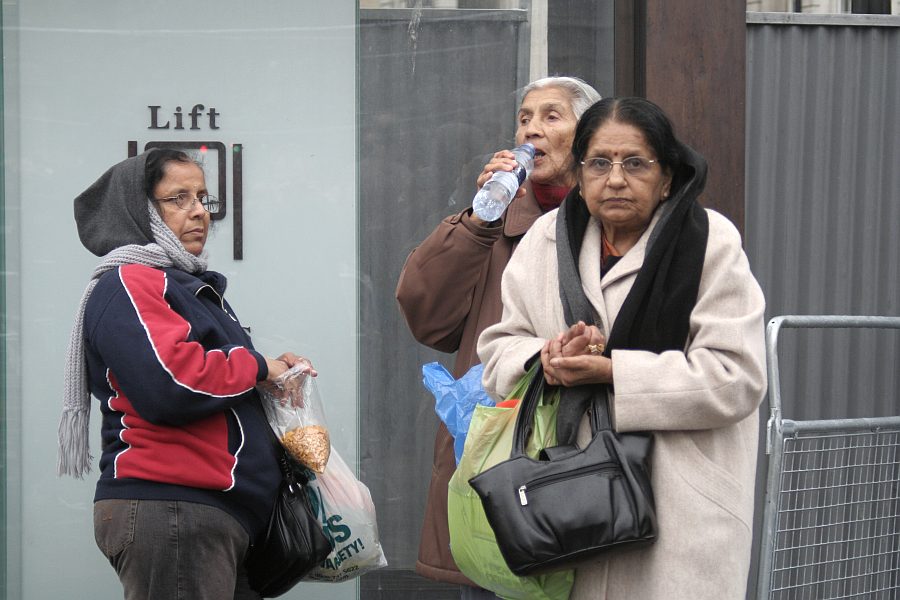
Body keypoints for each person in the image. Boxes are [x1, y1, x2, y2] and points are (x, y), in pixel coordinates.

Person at [477, 96, 767, 600]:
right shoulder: (545, 240)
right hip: (569, 509)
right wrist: (545, 356)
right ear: (581, 172)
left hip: (682, 507)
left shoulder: (709, 242)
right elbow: (499, 346)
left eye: (635, 163)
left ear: (668, 176)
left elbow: (736, 378)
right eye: (599, 163)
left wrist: (614, 373)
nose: (615, 179)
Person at [58, 148, 309, 600]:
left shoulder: (178, 284)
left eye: (203, 198)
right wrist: (256, 366)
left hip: (207, 514)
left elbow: (207, 377)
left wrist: (269, 379)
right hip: (174, 508)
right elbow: (172, 383)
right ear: (139, 209)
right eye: (178, 198)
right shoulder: (131, 282)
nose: (199, 211)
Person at [395, 76, 601, 597]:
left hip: (587, 455)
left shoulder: (615, 221)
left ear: (590, 135)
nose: (532, 128)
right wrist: (477, 220)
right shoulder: (492, 221)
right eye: (525, 117)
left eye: (551, 116)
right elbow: (428, 317)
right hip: (499, 453)